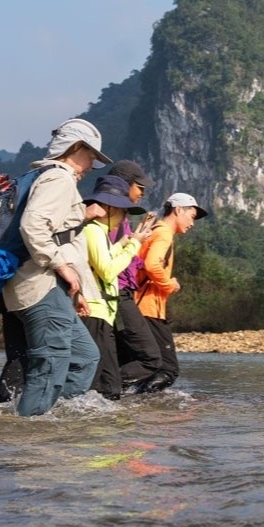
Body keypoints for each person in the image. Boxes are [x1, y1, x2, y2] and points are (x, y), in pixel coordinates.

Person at [3, 118, 109, 417]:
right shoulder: (58, 179)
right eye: (91, 156)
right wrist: (62, 267)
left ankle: (48, 417)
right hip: (40, 285)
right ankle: (29, 439)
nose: (91, 165)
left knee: (85, 357)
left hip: (51, 288)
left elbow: (62, 238)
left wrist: (76, 289)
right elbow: (33, 226)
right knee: (50, 364)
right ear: (75, 148)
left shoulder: (44, 176)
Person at [76, 175, 153, 400]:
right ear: (109, 208)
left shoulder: (100, 233)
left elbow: (108, 258)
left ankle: (100, 429)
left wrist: (128, 241)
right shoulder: (93, 230)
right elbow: (108, 270)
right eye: (122, 210)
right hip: (94, 311)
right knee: (104, 385)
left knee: (108, 385)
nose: (124, 217)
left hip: (104, 313)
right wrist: (134, 245)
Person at [124, 191, 207, 393]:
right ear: (178, 210)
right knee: (168, 370)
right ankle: (135, 402)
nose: (192, 223)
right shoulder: (163, 233)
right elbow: (152, 265)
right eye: (191, 217)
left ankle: (129, 402)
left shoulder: (154, 229)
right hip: (148, 308)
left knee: (148, 363)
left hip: (140, 306)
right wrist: (170, 284)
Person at [106, 160, 164, 389]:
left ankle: (108, 394)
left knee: (119, 354)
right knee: (150, 358)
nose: (142, 193)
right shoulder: (111, 217)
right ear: (125, 185)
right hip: (117, 294)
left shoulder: (121, 217)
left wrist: (139, 240)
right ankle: (107, 389)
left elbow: (128, 258)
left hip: (121, 292)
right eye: (139, 187)